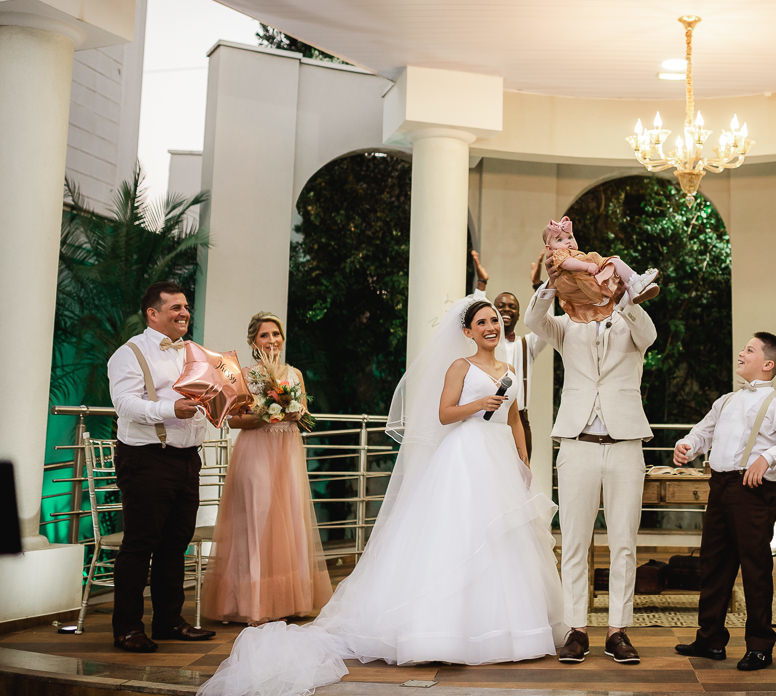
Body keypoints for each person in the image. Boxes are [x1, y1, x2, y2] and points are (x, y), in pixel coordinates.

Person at [198, 298, 565, 695]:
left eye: (494, 320)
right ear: (468, 332)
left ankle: (513, 632)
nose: (491, 326)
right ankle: (441, 632)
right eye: (482, 321)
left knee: (505, 542)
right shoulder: (461, 366)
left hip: (500, 462)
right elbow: (444, 413)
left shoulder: (511, 370)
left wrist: (523, 460)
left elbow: (514, 419)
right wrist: (478, 404)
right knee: (458, 537)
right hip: (465, 457)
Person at [525, 278, 656, 665]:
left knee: (624, 543)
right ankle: (576, 629)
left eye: (610, 280)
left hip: (625, 445)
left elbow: (648, 334)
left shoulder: (632, 321)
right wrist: (554, 278)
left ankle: (618, 631)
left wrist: (625, 298)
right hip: (576, 444)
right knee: (575, 542)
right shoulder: (566, 325)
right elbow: (534, 320)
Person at [672, 333, 776, 671]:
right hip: (719, 487)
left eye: (749, 349)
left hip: (753, 490)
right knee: (714, 565)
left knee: (755, 569)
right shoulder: (726, 400)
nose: (740, 353)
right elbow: (703, 432)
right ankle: (710, 639)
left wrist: (767, 459)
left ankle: (760, 645)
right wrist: (687, 445)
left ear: (767, 364)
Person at [201, 312, 333, 625]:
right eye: (264, 335)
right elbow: (232, 420)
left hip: (287, 450)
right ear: (252, 341)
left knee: (288, 519)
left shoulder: (295, 374)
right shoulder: (243, 376)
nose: (272, 340)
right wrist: (264, 414)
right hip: (256, 450)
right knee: (256, 519)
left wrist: (294, 412)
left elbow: (307, 419)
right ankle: (252, 601)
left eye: (276, 334)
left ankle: (288, 599)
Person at [106, 281, 216, 652]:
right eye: (175, 308)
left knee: (176, 544)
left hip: (187, 459)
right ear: (153, 314)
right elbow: (124, 404)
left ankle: (169, 621)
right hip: (146, 458)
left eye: (186, 306)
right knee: (139, 545)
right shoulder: (129, 353)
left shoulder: (192, 353)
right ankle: (127, 628)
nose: (184, 313)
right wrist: (170, 409)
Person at [471, 251, 547, 456]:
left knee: (522, 476)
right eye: (500, 306)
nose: (506, 309)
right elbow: (473, 314)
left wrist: (538, 286)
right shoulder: (483, 341)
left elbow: (545, 321)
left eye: (512, 307)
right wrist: (481, 284)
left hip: (519, 420)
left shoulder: (528, 344)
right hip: (485, 418)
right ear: (493, 311)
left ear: (519, 314)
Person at [542, 215, 658, 323]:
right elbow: (567, 263)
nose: (567, 241)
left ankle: (632, 292)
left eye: (570, 237)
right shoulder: (559, 254)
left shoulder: (575, 254)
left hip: (590, 285)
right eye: (559, 240)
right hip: (588, 282)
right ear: (550, 248)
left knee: (615, 274)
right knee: (613, 262)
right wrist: (586, 266)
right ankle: (636, 281)